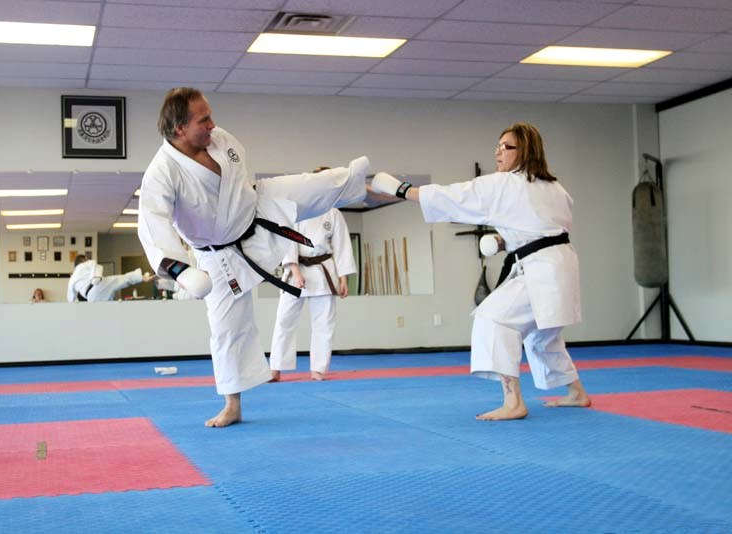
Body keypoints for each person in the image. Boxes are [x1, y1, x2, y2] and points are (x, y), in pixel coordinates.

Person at [137, 87, 372, 428]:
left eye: (210, 115)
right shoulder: (161, 173)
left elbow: (239, 180)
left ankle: (358, 180)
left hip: (256, 211)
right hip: (217, 256)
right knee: (227, 330)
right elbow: (152, 224)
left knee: (309, 185)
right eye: (203, 120)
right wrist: (178, 268)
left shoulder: (221, 140)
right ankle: (233, 405)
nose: (213, 125)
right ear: (179, 129)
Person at [371, 122, 590, 421]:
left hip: (540, 269)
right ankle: (576, 392)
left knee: (493, 318)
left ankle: (513, 401)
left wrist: (402, 189)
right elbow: (545, 228)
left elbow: (453, 196)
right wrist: (504, 241)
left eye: (507, 147)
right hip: (559, 265)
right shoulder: (554, 187)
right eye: (497, 146)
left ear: (526, 150)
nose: (499, 152)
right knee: (542, 337)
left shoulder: (503, 184)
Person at [269, 170, 356, 381]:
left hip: (323, 271)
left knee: (324, 322)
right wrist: (295, 269)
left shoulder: (334, 213)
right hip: (295, 270)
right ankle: (276, 368)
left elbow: (341, 245)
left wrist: (343, 278)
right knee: (284, 320)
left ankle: (319, 368)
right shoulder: (297, 209)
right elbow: (287, 239)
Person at [67, 254, 155, 302]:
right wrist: (96, 277)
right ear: (84, 259)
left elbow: (70, 298)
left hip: (91, 297)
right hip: (97, 285)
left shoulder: (72, 279)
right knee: (121, 279)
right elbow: (97, 266)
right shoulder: (86, 263)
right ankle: (144, 277)